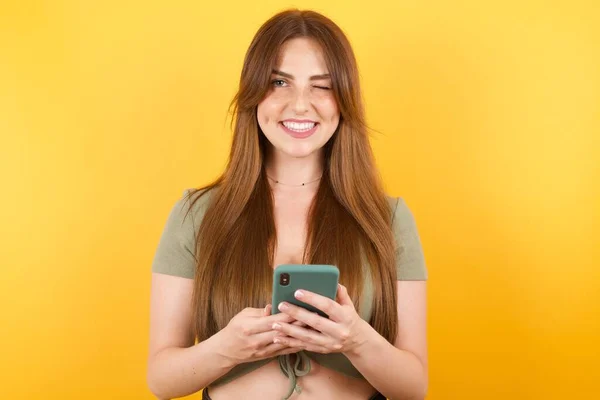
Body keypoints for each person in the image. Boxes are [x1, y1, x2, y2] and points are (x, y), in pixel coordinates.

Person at [147, 8, 428, 400]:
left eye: (322, 86)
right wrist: (226, 348)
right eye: (280, 82)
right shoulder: (197, 215)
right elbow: (161, 379)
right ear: (253, 93)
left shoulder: (389, 219)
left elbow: (414, 388)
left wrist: (356, 340)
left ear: (344, 100)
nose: (299, 105)